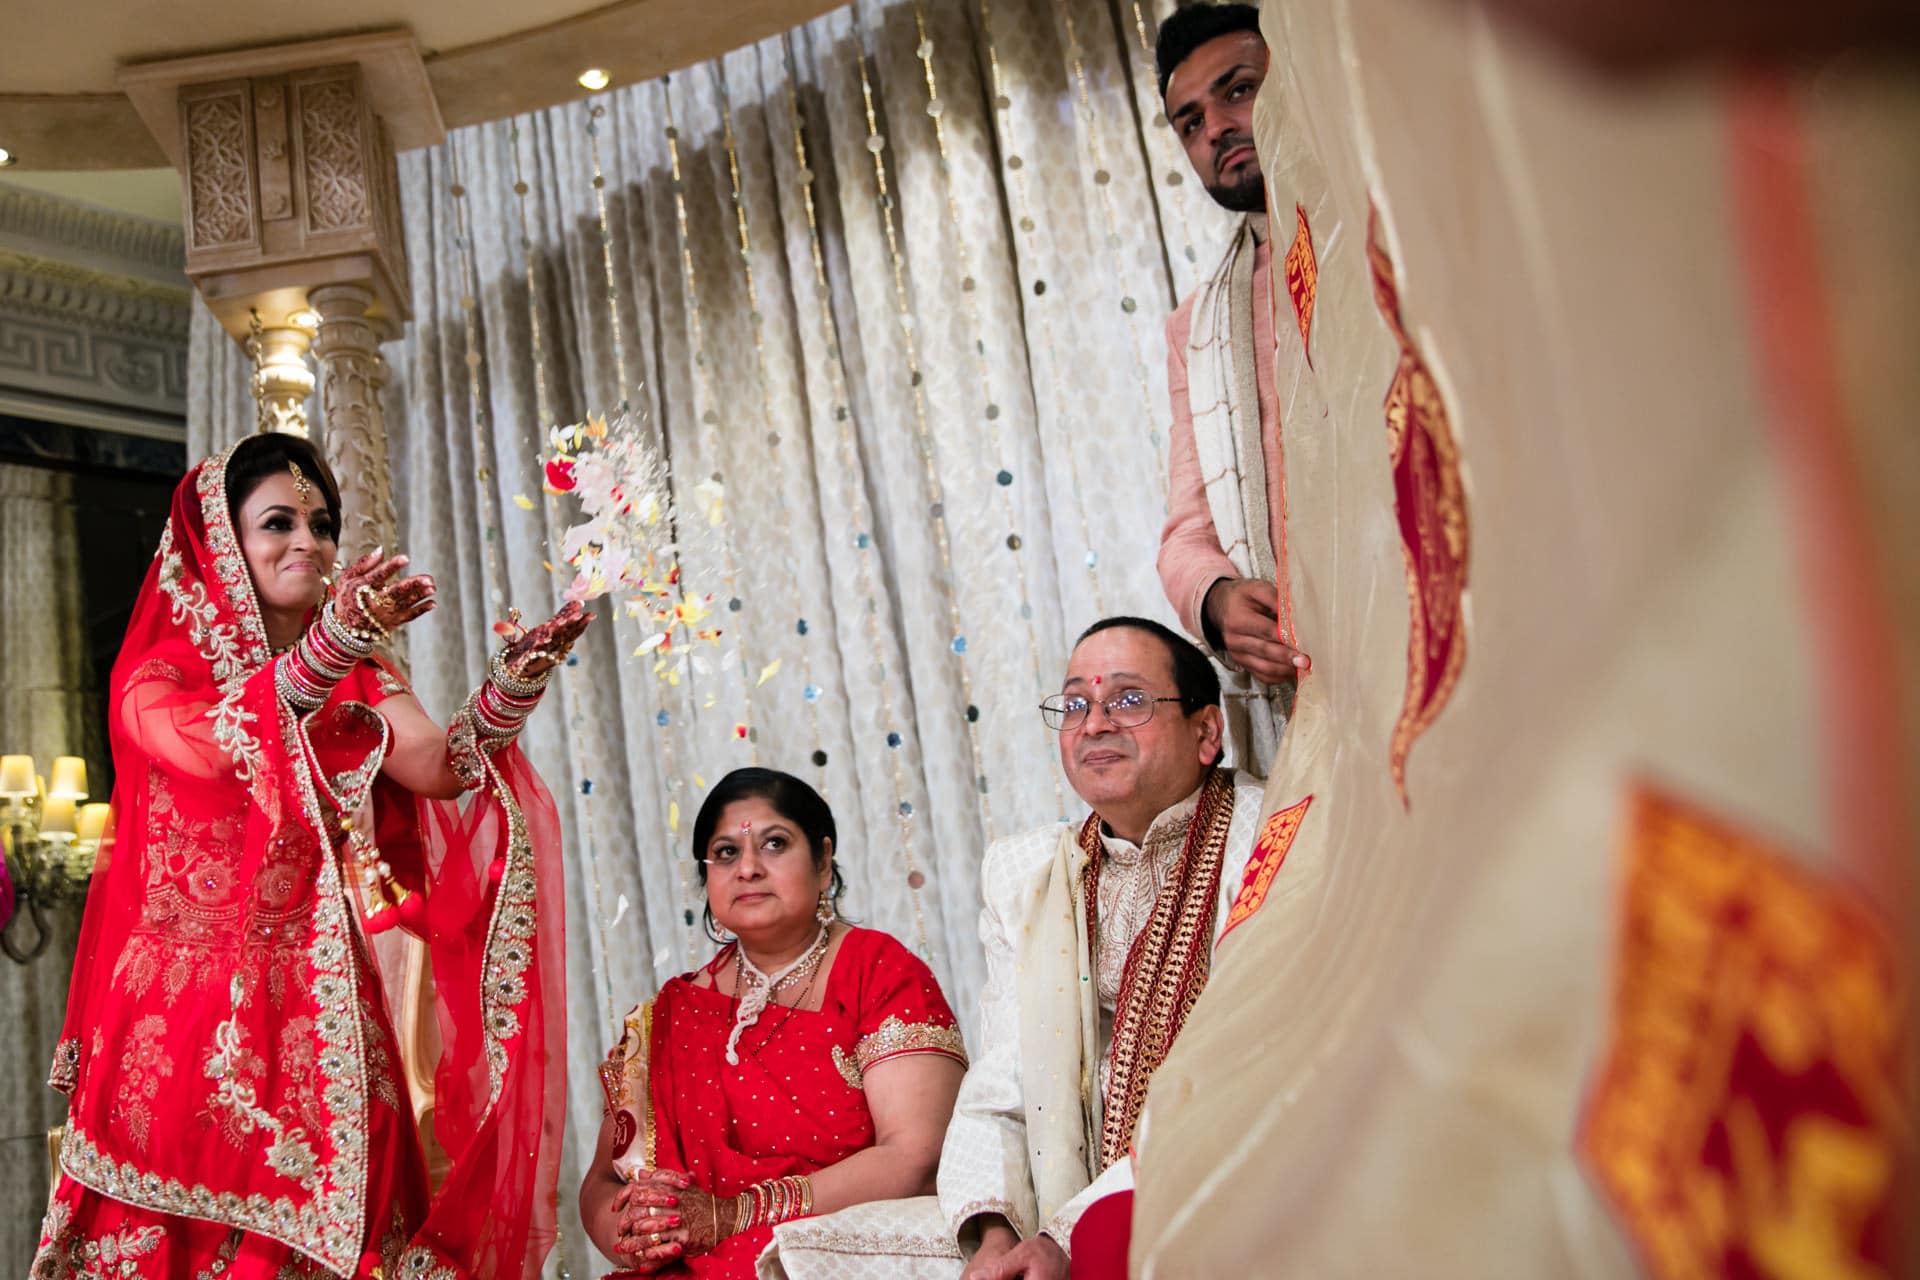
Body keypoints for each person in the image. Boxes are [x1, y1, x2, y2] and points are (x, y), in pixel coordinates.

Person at [34, 432, 588, 1279]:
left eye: (322, 523)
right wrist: (326, 649)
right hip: (182, 1024)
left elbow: (442, 767)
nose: (308, 542)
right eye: (277, 523)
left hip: (323, 1015)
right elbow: (217, 748)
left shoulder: (357, 668)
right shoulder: (160, 671)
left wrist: (511, 685)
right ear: (221, 541)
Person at [937, 618, 1266, 1280]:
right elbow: (1004, 1072)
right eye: (1076, 705)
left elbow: (1236, 1069)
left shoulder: (1265, 838)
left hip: (1230, 1167)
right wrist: (994, 1230)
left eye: (1128, 700)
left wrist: (1069, 1232)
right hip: (1062, 1203)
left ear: (1206, 733)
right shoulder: (1025, 873)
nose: (1093, 725)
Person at [582, 767, 968, 1278]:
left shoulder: (877, 971)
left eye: (774, 844)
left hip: (833, 1260)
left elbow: (917, 1157)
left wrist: (733, 1216)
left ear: (824, 863)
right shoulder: (670, 1016)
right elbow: (600, 1184)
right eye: (726, 853)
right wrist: (632, 1232)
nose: (748, 869)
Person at [1154, 3, 1310, 774]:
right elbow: (1186, 532)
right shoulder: (1199, 325)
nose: (1214, 127)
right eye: (1189, 121)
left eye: (1237, 90)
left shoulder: (1392, 227)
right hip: (1307, 682)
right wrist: (1216, 602)